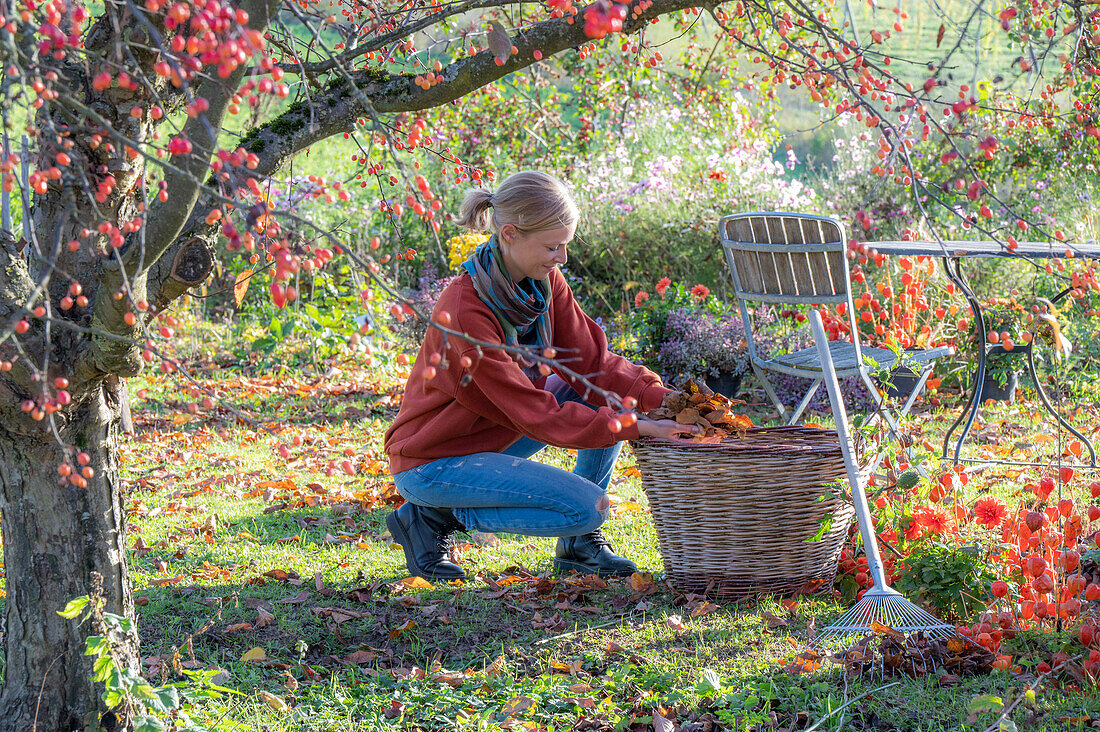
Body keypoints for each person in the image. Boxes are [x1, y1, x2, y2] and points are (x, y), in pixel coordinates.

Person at [383, 170, 699, 581]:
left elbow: (594, 363)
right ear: (510, 234)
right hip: (434, 459)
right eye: (553, 246)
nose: (562, 258)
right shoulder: (465, 309)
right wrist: (637, 426)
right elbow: (534, 411)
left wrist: (664, 400)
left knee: (607, 393)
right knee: (588, 508)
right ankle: (432, 515)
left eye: (565, 246)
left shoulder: (542, 283)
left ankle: (579, 547)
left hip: (493, 434)